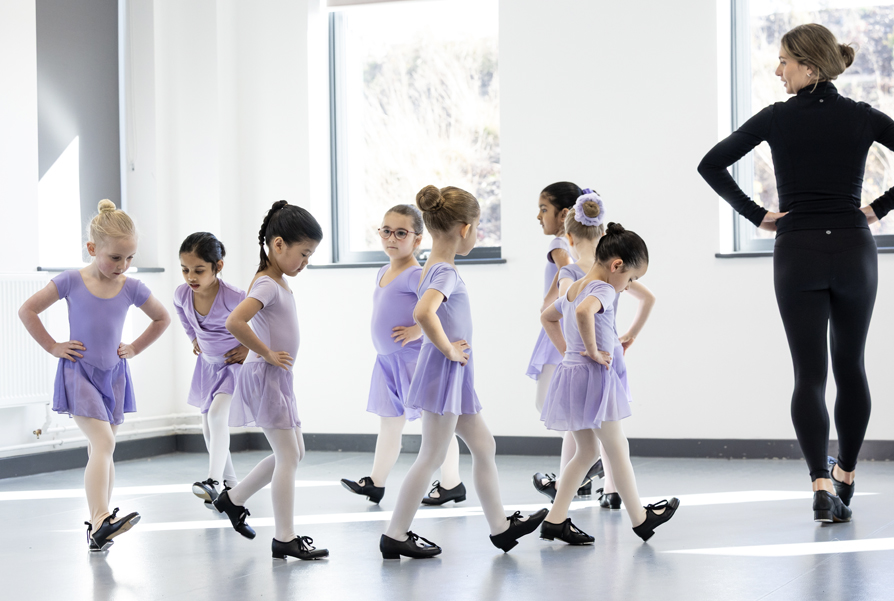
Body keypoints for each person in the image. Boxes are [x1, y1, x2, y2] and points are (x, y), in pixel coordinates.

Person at [697, 23, 893, 522]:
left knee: (809, 373)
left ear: (809, 65)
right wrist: (879, 209)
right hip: (853, 247)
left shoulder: (776, 118)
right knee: (851, 366)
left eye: (784, 60)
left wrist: (757, 215)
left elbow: (711, 164)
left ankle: (821, 484)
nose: (778, 70)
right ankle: (846, 473)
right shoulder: (861, 116)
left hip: (797, 249)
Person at [380, 185, 547, 559]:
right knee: (431, 455)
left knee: (484, 445)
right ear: (465, 229)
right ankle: (395, 533)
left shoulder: (435, 266)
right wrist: (449, 349)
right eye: (478, 226)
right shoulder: (444, 272)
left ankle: (501, 528)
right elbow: (423, 313)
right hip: (444, 372)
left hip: (453, 375)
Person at [18, 199, 171, 551]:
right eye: (115, 257)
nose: (123, 265)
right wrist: (53, 346)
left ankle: (99, 530)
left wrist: (134, 347)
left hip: (114, 376)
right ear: (92, 249)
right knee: (104, 443)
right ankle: (101, 520)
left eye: (129, 258)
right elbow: (28, 310)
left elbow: (162, 318)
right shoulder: (71, 280)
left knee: (102, 449)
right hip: (79, 374)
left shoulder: (131, 287)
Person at [539, 223, 678, 543]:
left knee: (587, 451)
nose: (627, 286)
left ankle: (554, 520)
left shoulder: (574, 287)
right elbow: (585, 312)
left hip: (572, 375)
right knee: (617, 447)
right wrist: (591, 351)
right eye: (630, 279)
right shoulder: (602, 289)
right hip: (594, 378)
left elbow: (547, 317)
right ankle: (641, 519)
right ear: (616, 265)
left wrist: (569, 351)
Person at [213, 201, 329, 560]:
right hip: (266, 375)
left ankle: (233, 499)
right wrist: (265, 353)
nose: (305, 262)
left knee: (294, 453)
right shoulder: (266, 283)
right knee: (288, 456)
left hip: (277, 376)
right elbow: (235, 321)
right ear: (278, 245)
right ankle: (284, 537)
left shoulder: (276, 280)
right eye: (303, 254)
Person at [341, 205, 464, 505]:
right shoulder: (383, 271)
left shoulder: (415, 275)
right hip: (386, 361)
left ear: (417, 239)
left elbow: (435, 309)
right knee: (389, 422)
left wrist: (416, 331)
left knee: (436, 424)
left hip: (410, 359)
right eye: (386, 231)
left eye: (400, 233)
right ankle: (376, 482)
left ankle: (452, 482)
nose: (391, 238)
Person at [174, 232, 247, 508]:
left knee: (217, 417)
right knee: (208, 427)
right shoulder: (182, 294)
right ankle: (231, 486)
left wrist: (248, 349)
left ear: (218, 266)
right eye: (185, 269)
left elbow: (263, 323)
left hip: (233, 368)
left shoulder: (234, 297)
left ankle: (213, 481)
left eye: (199, 270)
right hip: (207, 367)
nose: (190, 277)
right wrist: (193, 337)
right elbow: (181, 312)